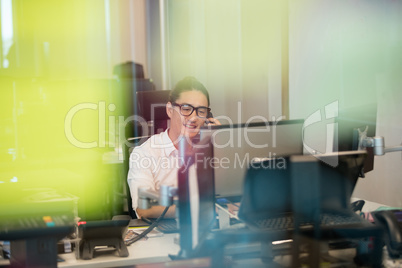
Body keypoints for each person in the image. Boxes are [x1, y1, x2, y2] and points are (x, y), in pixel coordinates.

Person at [127, 76, 221, 219]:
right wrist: (195, 209)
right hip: (164, 233)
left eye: (201, 111)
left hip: (211, 228)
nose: (194, 118)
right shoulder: (144, 153)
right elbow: (143, 209)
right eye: (186, 109)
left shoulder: (211, 150)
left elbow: (230, 196)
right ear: (170, 110)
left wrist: (217, 143)